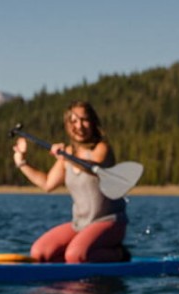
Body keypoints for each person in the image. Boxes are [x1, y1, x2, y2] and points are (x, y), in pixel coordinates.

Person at [12, 100, 128, 263]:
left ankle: (119, 254)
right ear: (67, 126)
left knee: (75, 256)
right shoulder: (67, 153)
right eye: (73, 121)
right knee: (39, 253)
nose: (79, 126)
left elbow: (94, 167)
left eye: (84, 120)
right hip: (80, 224)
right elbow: (47, 184)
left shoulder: (101, 148)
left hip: (109, 222)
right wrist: (22, 163)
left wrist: (66, 158)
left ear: (93, 122)